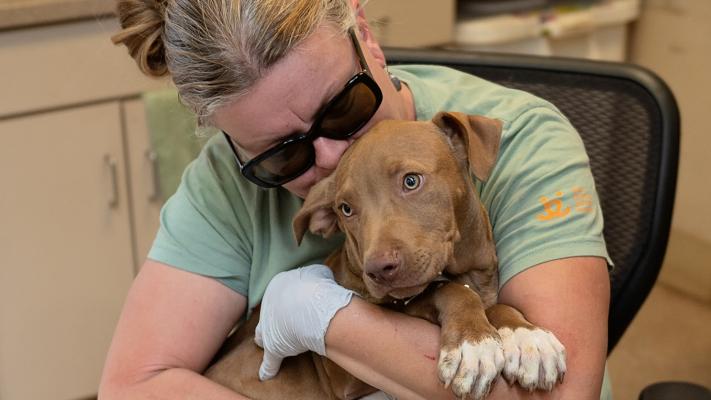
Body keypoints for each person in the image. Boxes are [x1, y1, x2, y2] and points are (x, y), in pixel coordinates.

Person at [99, 0, 612, 399]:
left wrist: (323, 317)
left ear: (364, 33)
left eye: (344, 106)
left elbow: (560, 393)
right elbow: (133, 386)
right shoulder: (224, 181)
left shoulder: (523, 141)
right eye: (282, 155)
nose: (329, 157)